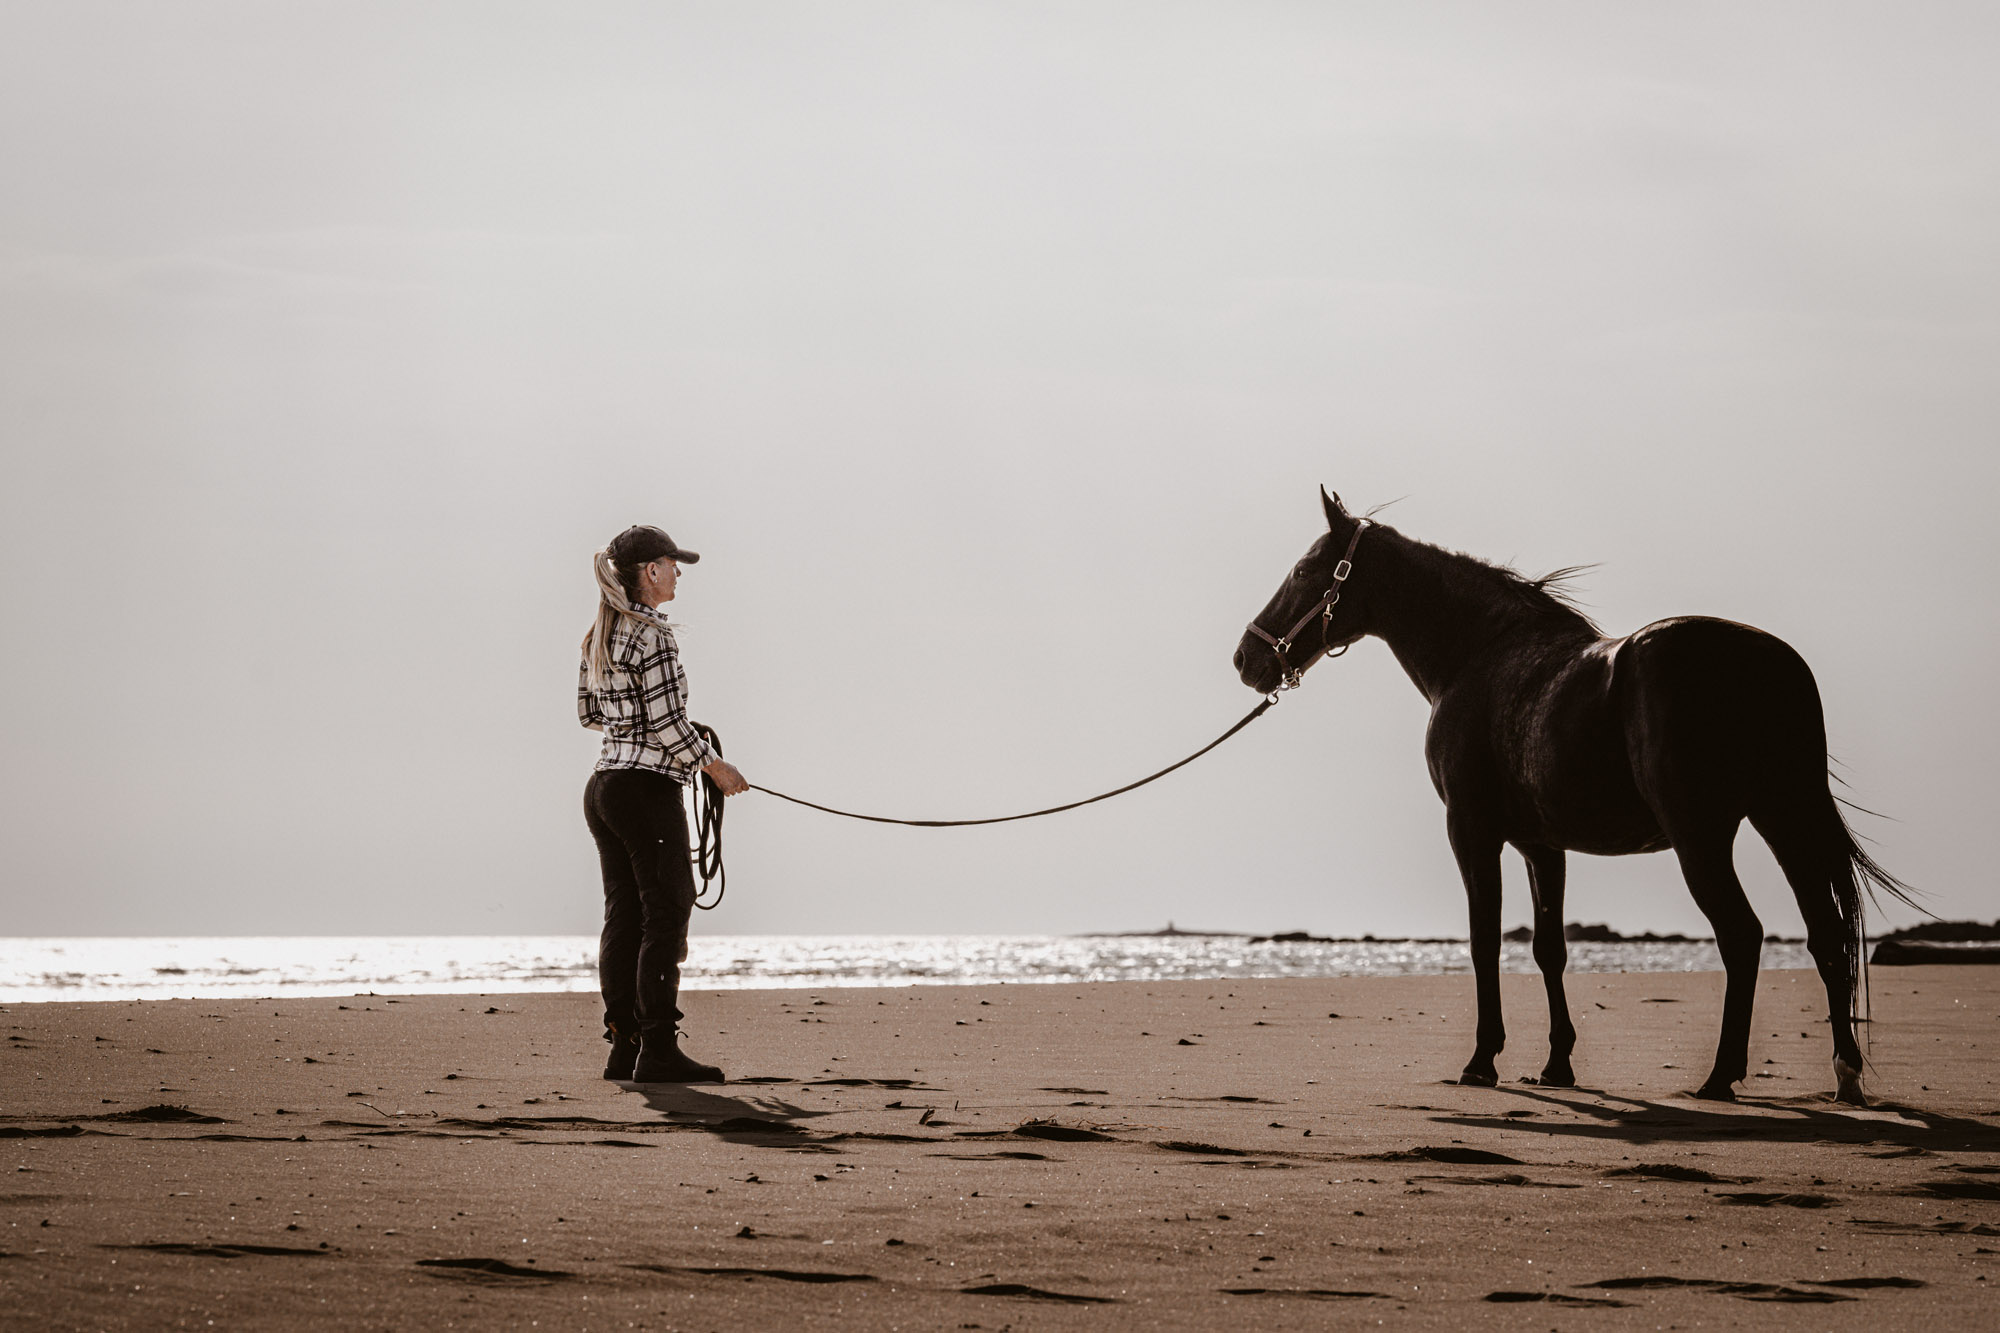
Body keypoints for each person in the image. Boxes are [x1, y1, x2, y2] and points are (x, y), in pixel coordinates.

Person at [578, 524, 749, 1083]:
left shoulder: (599, 634)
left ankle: (624, 1046)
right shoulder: (653, 636)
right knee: (667, 913)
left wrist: (639, 726)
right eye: (673, 565)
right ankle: (656, 1049)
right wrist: (714, 765)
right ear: (650, 571)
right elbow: (669, 725)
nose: (678, 575)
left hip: (604, 787)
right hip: (644, 790)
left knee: (624, 915)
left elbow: (590, 714)